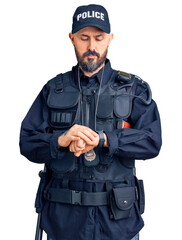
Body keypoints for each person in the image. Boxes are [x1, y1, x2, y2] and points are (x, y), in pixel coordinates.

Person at [19, 4, 162, 240]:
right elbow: (27, 142)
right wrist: (61, 140)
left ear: (110, 38)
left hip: (117, 225)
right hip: (62, 223)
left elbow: (152, 140)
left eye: (99, 38)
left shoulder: (133, 89)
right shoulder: (53, 89)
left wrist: (105, 140)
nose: (92, 47)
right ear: (72, 38)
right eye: (84, 38)